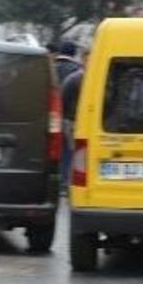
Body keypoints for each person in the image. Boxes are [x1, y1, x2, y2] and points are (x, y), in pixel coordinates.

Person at [60, 51, 88, 189]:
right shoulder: (75, 79)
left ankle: (69, 180)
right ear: (83, 60)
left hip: (83, 122)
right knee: (71, 152)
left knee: (76, 152)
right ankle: (67, 181)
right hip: (72, 121)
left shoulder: (91, 78)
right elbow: (63, 100)